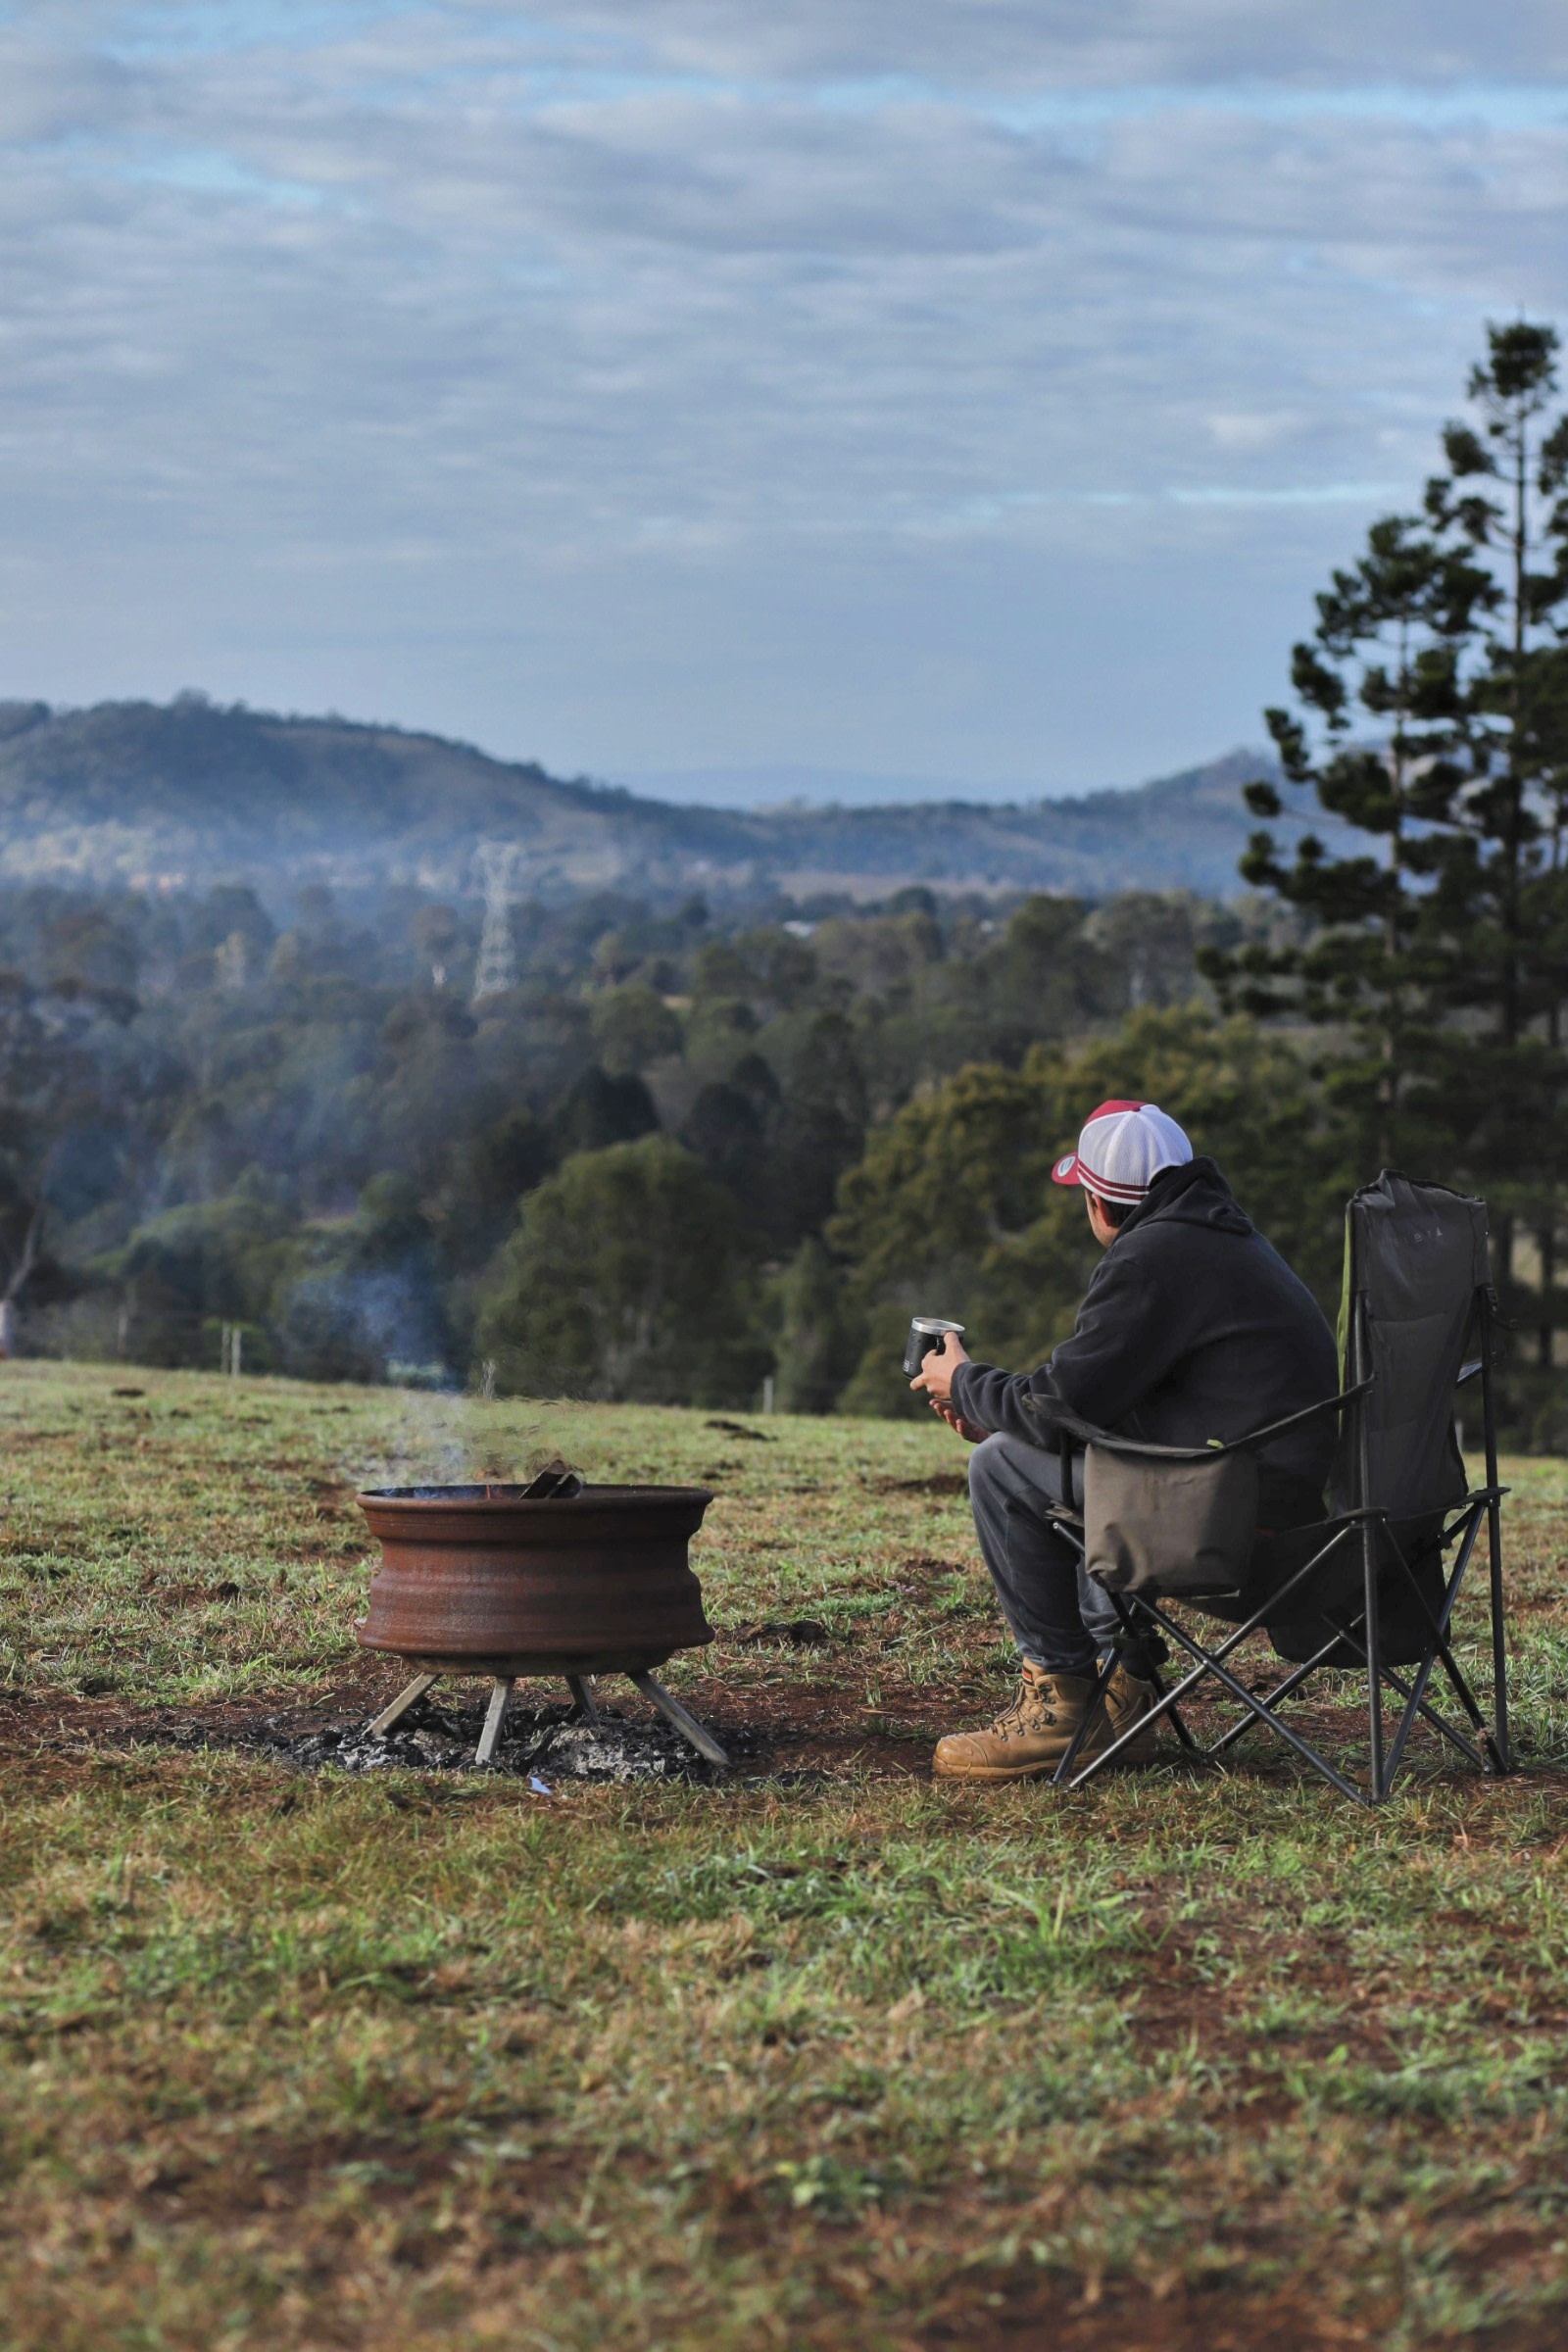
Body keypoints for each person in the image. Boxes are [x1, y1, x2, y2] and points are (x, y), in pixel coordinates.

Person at [910, 1099, 1338, 1783]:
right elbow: (1097, 1415)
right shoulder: (1222, 1237)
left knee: (999, 1469)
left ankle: (1062, 1706)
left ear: (1100, 1203)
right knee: (1082, 1461)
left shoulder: (1153, 1257)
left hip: (1232, 1528)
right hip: (1292, 1518)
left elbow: (1056, 1407)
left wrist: (962, 1381)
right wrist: (1001, 1411)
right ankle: (1125, 1690)